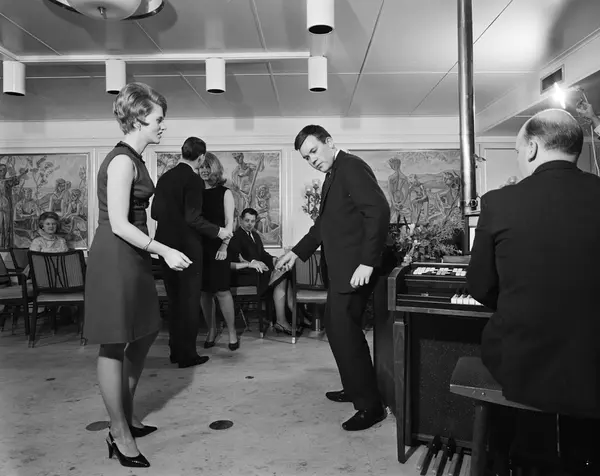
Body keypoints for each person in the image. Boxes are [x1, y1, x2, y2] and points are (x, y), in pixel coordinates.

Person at [468, 109, 600, 470]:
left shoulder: (499, 202)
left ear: (531, 148)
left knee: (523, 424)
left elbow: (480, 286)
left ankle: (515, 459)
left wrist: (519, 300)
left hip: (524, 363)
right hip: (593, 362)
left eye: (516, 150)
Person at [84, 82, 191, 469]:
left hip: (134, 256)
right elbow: (117, 223)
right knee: (115, 342)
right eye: (159, 119)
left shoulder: (136, 158)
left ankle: (126, 415)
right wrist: (164, 250)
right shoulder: (121, 161)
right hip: (115, 256)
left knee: (144, 333)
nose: (163, 126)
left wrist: (154, 249)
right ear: (138, 119)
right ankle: (118, 431)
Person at [277, 125, 390, 431]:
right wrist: (296, 253)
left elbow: (378, 211)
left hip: (355, 271)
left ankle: (370, 406)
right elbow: (323, 226)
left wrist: (368, 262)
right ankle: (354, 388)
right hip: (342, 271)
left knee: (345, 332)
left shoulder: (351, 167)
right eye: (306, 157)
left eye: (314, 151)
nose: (312, 159)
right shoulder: (333, 174)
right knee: (338, 330)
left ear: (329, 142)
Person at [152, 138, 232, 366]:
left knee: (174, 301)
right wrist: (219, 232)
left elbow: (155, 213)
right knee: (188, 303)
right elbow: (193, 218)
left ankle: (175, 352)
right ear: (201, 157)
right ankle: (187, 356)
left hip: (165, 248)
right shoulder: (194, 180)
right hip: (187, 248)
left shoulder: (165, 177)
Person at [229, 207, 295, 334]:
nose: (250, 224)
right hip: (244, 276)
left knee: (285, 272)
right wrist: (253, 263)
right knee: (282, 274)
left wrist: (274, 260)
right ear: (241, 220)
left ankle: (287, 316)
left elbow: (262, 254)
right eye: (247, 220)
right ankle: (283, 319)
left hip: (258, 273)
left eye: (253, 221)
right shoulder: (236, 237)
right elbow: (237, 259)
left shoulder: (255, 235)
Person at [197, 152, 239, 350]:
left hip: (220, 247)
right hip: (199, 247)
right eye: (201, 166)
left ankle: (232, 333)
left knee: (222, 291)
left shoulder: (225, 192)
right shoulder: (194, 192)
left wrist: (224, 246)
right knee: (204, 293)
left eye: (208, 166)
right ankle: (211, 330)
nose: (204, 170)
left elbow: (230, 223)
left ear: (214, 168)